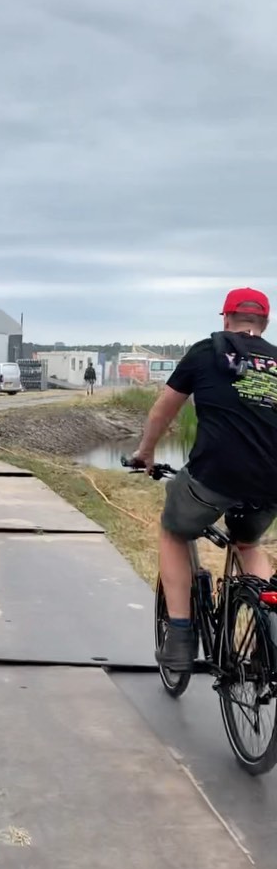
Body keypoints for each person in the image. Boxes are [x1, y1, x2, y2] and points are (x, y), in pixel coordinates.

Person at [133, 288, 277, 675]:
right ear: (264, 323)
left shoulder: (205, 352)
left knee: (174, 531)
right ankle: (269, 639)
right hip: (270, 482)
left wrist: (146, 453)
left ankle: (180, 637)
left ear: (226, 319)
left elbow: (163, 410)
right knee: (248, 542)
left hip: (214, 475)